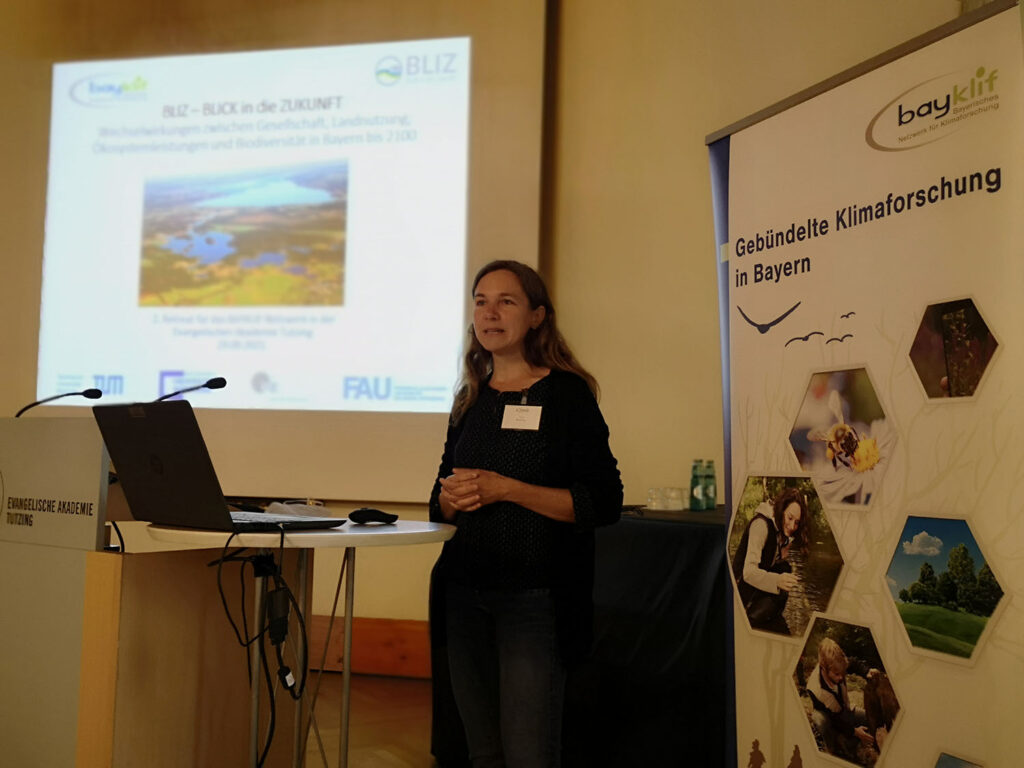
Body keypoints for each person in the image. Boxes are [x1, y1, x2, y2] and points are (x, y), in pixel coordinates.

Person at [429, 260, 623, 768]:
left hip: (534, 601)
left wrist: (509, 490)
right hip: (463, 595)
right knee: (483, 754)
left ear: (537, 316)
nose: (489, 313)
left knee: (529, 755)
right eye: (481, 302)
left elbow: (603, 500)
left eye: (506, 302)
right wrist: (452, 496)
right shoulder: (470, 397)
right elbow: (438, 499)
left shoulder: (567, 395)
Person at [730, 487, 809, 634]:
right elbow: (748, 573)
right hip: (740, 596)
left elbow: (769, 563)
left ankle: (769, 618)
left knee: (785, 567)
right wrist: (777, 581)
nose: (792, 526)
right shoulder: (761, 526)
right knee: (782, 575)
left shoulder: (779, 530)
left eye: (797, 522)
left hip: (757, 593)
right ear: (781, 510)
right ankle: (752, 620)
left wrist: (781, 554)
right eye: (790, 518)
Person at [806, 638, 877, 763]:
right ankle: (833, 749)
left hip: (843, 708)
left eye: (843, 673)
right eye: (837, 674)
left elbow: (854, 662)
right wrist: (854, 731)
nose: (841, 677)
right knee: (821, 721)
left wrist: (866, 672)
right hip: (827, 714)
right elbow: (834, 718)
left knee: (868, 717)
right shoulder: (814, 688)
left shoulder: (838, 664)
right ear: (824, 668)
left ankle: (845, 737)